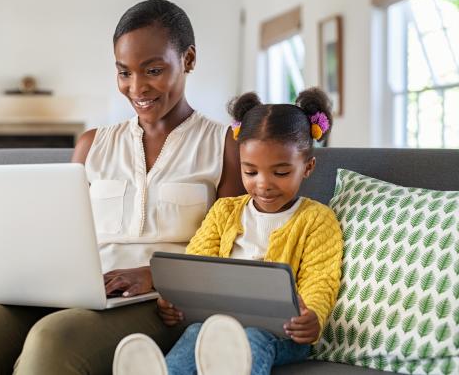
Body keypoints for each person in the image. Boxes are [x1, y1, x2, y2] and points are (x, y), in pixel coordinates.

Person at [0, 0, 243, 375]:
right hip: (79, 292)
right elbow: (57, 237)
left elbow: (232, 253)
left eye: (153, 70)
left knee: (53, 339)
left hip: (161, 302)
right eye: (124, 73)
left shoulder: (225, 145)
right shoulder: (92, 144)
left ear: (188, 59)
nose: (136, 87)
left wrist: (155, 274)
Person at [112, 88, 344, 375]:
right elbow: (195, 264)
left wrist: (313, 317)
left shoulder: (317, 220)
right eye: (250, 172)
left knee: (251, 340)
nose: (263, 184)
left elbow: (321, 280)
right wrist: (174, 300)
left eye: (280, 173)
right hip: (218, 323)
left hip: (283, 334)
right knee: (197, 332)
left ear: (307, 167)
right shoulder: (225, 212)